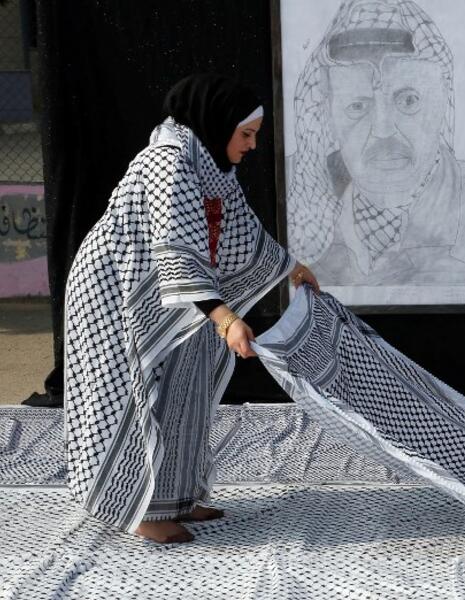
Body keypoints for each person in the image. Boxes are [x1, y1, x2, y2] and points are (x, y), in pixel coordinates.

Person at [64, 74, 319, 544]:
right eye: (247, 134)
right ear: (218, 123)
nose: (253, 145)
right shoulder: (170, 160)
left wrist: (289, 267)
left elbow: (244, 231)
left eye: (255, 134)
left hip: (174, 292)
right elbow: (177, 249)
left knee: (186, 384)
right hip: (118, 289)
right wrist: (225, 319)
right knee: (131, 393)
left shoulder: (212, 166)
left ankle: (176, 498)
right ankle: (135, 507)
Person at [286, 0, 465, 295]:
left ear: (442, 102)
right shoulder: (298, 208)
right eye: (357, 106)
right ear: (328, 115)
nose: (383, 129)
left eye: (408, 100)